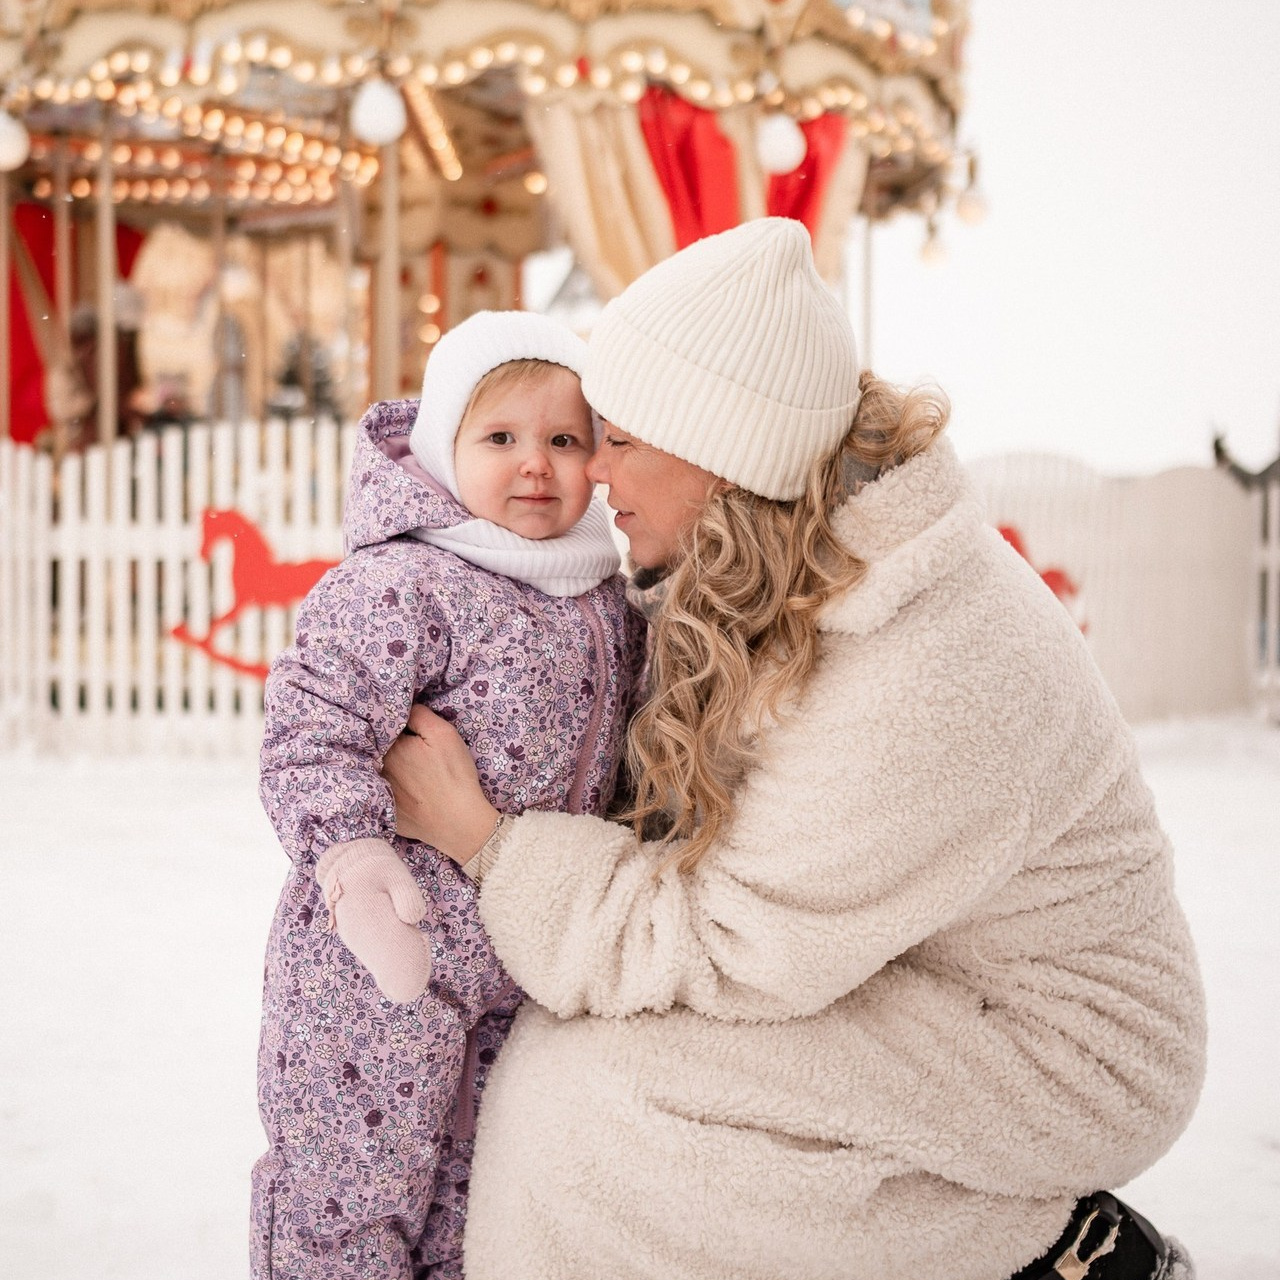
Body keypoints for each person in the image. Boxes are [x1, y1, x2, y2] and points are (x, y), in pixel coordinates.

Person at [381, 219, 1206, 1280]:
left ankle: (1060, 1255)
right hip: (918, 969)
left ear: (722, 454)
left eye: (620, 436)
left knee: (584, 1110)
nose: (593, 472)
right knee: (583, 1076)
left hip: (1060, 1055)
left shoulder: (921, 666)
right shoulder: (784, 553)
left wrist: (490, 843)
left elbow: (724, 944)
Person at [251, 311, 647, 1280]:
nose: (535, 466)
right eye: (500, 437)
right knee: (353, 1190)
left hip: (516, 957)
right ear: (444, 445)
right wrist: (351, 853)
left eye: (563, 439)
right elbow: (312, 724)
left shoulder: (605, 590)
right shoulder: (404, 580)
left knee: (473, 1202)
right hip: (380, 954)